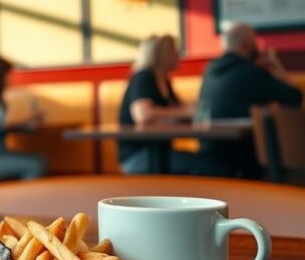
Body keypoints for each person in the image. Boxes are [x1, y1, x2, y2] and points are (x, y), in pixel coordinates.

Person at [197, 23, 302, 177]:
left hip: (208, 155)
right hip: (244, 161)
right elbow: (295, 97)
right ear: (246, 44)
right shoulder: (250, 72)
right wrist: (276, 65)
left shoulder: (209, 69)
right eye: (255, 43)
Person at [117, 34, 198, 174]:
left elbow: (179, 110)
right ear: (161, 55)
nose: (178, 54)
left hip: (161, 153)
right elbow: (142, 114)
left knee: (211, 161)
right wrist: (186, 112)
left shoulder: (165, 81)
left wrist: (191, 110)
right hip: (137, 157)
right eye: (174, 50)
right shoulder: (143, 77)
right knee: (209, 165)